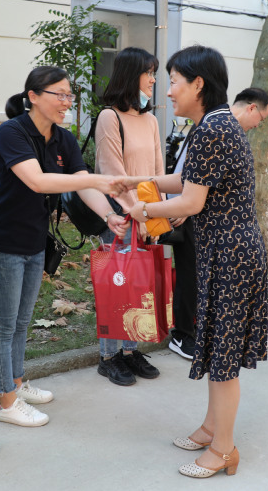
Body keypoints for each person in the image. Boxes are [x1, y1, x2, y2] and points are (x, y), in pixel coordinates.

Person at [126, 45, 268, 478]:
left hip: (229, 256)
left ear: (198, 84)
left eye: (173, 82)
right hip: (225, 252)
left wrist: (143, 210)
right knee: (213, 348)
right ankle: (211, 427)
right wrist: (138, 181)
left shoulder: (213, 129)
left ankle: (224, 449)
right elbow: (189, 180)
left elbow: (190, 200)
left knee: (222, 358)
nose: (168, 92)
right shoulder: (216, 123)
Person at [0, 66, 128, 426]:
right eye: (59, 94)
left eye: (69, 95)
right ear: (33, 96)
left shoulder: (63, 138)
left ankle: (16, 383)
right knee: (2, 325)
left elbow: (81, 183)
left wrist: (108, 215)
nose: (66, 102)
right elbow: (38, 181)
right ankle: (5, 402)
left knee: (21, 321)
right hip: (3, 240)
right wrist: (101, 180)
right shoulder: (12, 132)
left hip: (35, 240)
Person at [168, 86, 268, 361]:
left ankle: (196, 333)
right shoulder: (212, 128)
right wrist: (174, 207)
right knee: (190, 276)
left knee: (199, 280)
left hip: (204, 218)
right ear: (251, 107)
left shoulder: (226, 130)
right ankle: (182, 334)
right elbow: (186, 175)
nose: (258, 125)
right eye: (261, 119)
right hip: (190, 213)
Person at [94, 47, 164, 386]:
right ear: (130, 75)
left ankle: (129, 350)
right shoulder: (110, 117)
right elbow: (113, 175)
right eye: (148, 73)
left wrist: (157, 215)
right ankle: (108, 357)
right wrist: (139, 215)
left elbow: (158, 174)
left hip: (147, 215)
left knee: (139, 285)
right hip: (120, 218)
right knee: (115, 286)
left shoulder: (151, 120)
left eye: (154, 73)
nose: (153, 80)